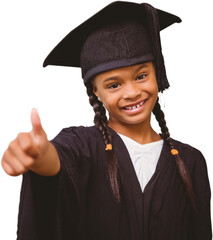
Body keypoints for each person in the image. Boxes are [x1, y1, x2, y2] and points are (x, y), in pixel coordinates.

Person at [1, 1, 212, 240]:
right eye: (114, 85)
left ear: (158, 73)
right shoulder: (82, 146)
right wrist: (39, 157)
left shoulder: (190, 162)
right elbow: (58, 162)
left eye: (141, 76)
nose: (131, 92)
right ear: (96, 92)